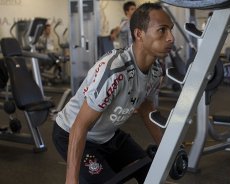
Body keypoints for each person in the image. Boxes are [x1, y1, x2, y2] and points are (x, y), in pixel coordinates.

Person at [52, 2, 174, 184]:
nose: (171, 38)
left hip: (109, 135)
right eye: (162, 30)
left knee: (152, 173)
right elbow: (80, 126)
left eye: (170, 30)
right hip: (73, 133)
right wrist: (71, 179)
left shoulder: (156, 71)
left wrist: (166, 150)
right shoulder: (115, 71)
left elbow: (145, 107)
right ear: (139, 34)